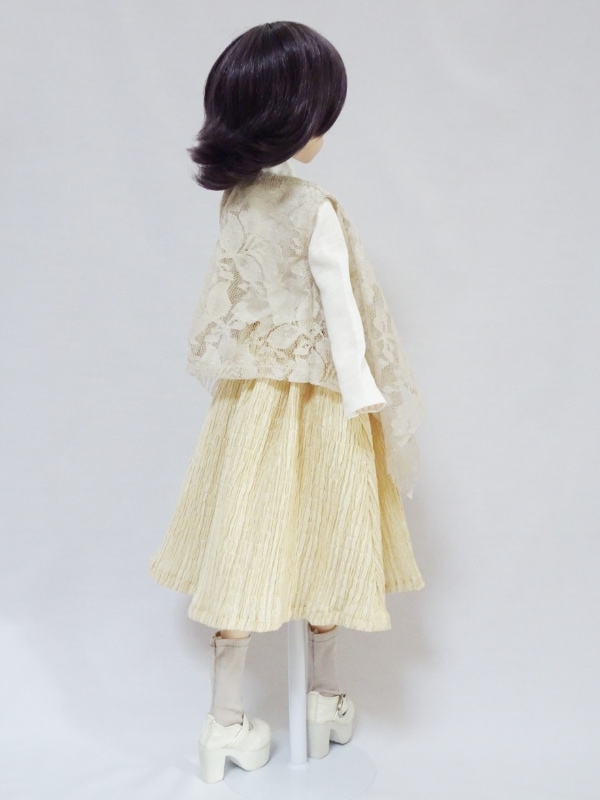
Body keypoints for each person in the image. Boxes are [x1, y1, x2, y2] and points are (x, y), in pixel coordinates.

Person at [150, 20, 425, 784]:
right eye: (318, 112)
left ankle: (224, 720)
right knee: (326, 536)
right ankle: (323, 696)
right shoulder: (314, 208)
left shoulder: (237, 204)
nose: (323, 129)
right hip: (319, 405)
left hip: (251, 410)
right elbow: (343, 313)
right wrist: (366, 395)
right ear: (291, 116)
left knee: (247, 540)